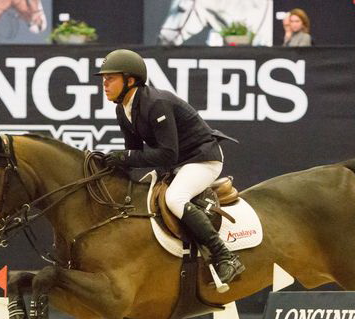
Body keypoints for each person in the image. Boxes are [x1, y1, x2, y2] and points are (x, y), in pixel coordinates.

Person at [97, 49, 245, 285]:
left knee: (175, 198)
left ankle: (224, 256)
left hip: (201, 159)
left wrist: (123, 157)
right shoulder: (122, 109)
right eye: (103, 79)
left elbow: (167, 152)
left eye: (110, 78)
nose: (104, 84)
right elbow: (134, 151)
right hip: (175, 164)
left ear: (130, 80)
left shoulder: (156, 104)